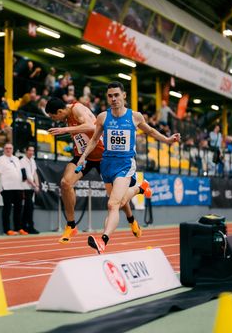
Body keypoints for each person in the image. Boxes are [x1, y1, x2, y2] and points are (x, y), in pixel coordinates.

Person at [76, 81, 180, 254]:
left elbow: (152, 132)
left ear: (124, 96)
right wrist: (83, 157)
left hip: (125, 164)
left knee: (113, 204)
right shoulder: (102, 117)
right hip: (107, 164)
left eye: (117, 95)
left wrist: (168, 140)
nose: (114, 99)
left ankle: (103, 240)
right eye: (110, 96)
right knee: (121, 201)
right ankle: (141, 188)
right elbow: (94, 139)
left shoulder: (135, 116)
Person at [45, 96, 148, 244]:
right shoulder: (66, 117)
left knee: (116, 197)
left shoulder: (77, 109)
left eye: (54, 116)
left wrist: (66, 129)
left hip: (103, 156)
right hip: (83, 157)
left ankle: (131, 220)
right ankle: (71, 225)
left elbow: (93, 127)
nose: (55, 120)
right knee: (65, 183)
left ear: (61, 111)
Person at [0, 143, 27, 235]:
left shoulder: (16, 159)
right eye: (6, 148)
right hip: (7, 188)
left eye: (10, 148)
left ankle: (18, 228)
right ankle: (7, 230)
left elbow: (21, 172)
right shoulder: (0, 159)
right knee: (7, 209)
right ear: (4, 149)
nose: (8, 150)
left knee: (18, 209)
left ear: (13, 149)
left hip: (18, 187)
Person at [19, 145, 40, 234]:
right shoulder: (22, 161)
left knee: (29, 208)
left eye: (33, 151)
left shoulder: (32, 160)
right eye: (30, 150)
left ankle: (26, 226)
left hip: (32, 187)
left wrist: (37, 184)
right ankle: (28, 227)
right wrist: (34, 185)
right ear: (26, 151)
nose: (31, 152)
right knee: (28, 207)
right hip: (25, 187)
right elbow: (25, 176)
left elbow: (34, 173)